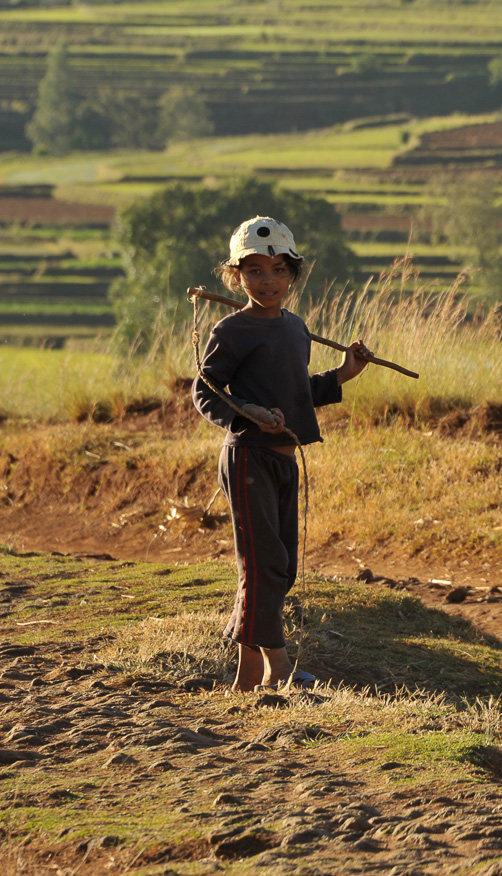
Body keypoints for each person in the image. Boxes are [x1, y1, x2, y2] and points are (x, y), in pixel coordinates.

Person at [192, 215, 370, 691]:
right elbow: (206, 391)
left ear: (293, 274)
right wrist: (247, 411)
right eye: (253, 271)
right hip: (248, 457)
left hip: (284, 461)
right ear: (236, 277)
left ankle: (248, 672)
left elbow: (297, 392)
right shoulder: (232, 332)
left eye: (277, 270)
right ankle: (280, 665)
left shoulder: (295, 328)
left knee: (280, 565)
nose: (266, 281)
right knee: (263, 562)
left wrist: (343, 374)